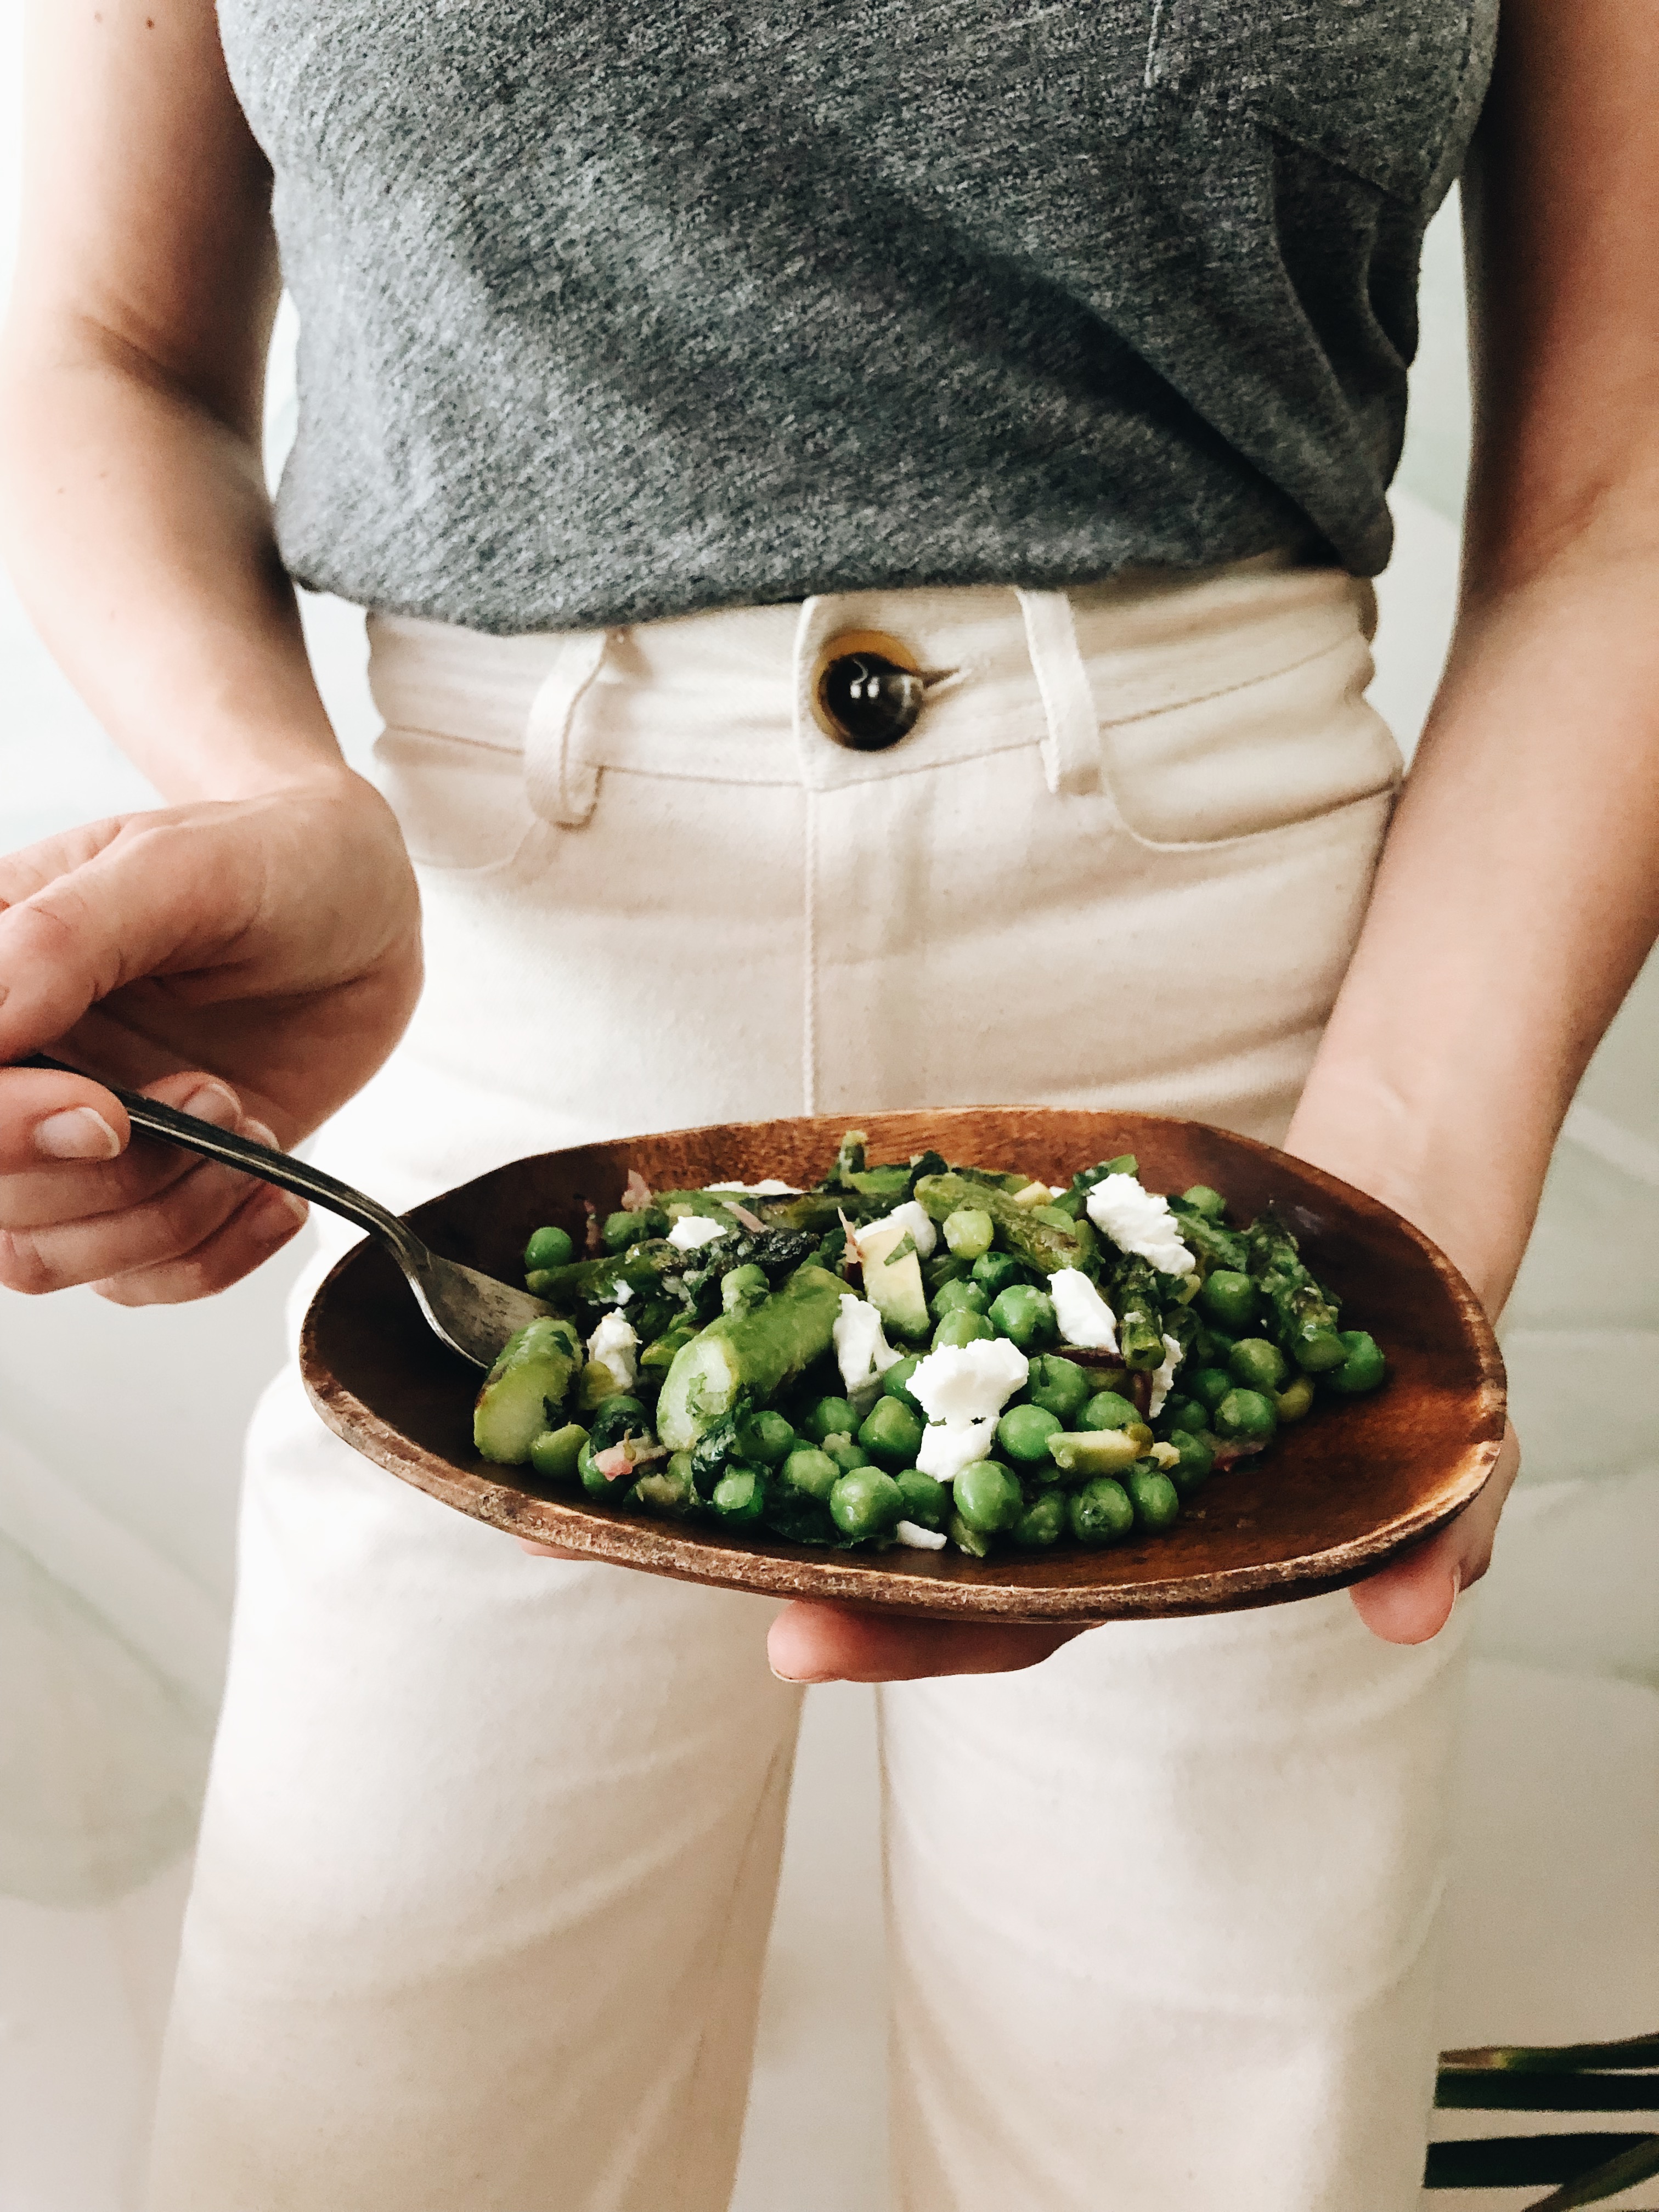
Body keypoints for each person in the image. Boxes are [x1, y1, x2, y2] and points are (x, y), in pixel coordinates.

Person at [1, 0, 1654, 2204]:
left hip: (1265, 1065)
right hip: (491, 1027)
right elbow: (106, 338)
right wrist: (269, 807)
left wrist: (1383, 1239)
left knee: (1196, 2143)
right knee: (363, 2118)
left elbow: (1622, 493)